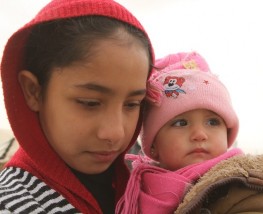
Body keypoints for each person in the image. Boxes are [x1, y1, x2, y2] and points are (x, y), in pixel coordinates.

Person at [0, 0, 154, 213]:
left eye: (132, 104)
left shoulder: (153, 182)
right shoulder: (12, 203)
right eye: (90, 103)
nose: (115, 133)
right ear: (33, 91)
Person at [116, 52, 263, 213]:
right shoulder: (132, 191)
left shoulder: (245, 181)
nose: (199, 134)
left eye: (212, 122)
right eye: (181, 123)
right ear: (153, 144)